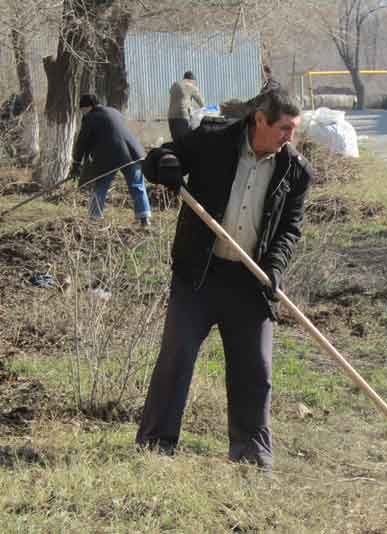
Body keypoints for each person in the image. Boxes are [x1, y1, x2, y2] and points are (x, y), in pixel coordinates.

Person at [136, 88, 312, 471]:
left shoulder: (294, 170)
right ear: (259, 120)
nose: (289, 137)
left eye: (294, 130)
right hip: (198, 274)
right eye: (284, 128)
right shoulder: (214, 140)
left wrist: (275, 268)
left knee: (255, 370)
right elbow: (158, 158)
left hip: (250, 281)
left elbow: (289, 230)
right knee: (176, 359)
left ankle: (251, 455)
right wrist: (166, 164)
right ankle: (155, 444)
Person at [70, 94, 152, 226]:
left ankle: (94, 218)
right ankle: (144, 218)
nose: (82, 113)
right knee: (137, 185)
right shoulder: (115, 112)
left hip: (109, 157)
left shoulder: (90, 117)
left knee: (100, 186)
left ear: (88, 107)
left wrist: (76, 163)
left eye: (82, 110)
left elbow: (82, 142)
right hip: (132, 153)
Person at [168, 71, 205, 141]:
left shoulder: (174, 84)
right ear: (192, 80)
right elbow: (201, 103)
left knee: (176, 141)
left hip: (171, 117)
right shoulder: (191, 86)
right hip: (182, 117)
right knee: (185, 140)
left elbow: (175, 95)